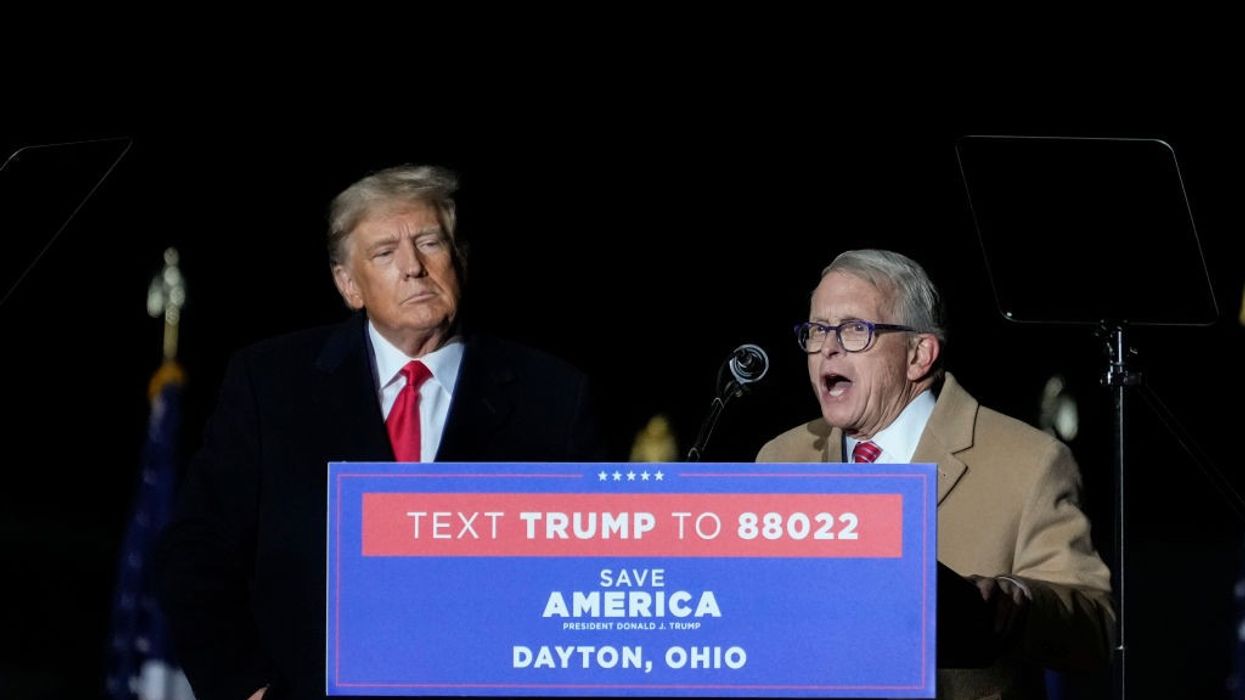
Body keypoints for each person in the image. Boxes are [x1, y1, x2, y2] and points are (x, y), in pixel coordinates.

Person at [156, 165, 604, 700]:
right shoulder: (270, 384)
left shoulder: (552, 398)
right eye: (385, 252)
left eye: (430, 241)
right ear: (349, 285)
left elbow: (591, 579)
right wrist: (248, 689)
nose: (413, 267)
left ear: (460, 255)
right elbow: (196, 553)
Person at [758, 249, 1115, 699]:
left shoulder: (1028, 460)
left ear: (919, 354)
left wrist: (1015, 602)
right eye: (816, 330)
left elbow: (1094, 628)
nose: (827, 347)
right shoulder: (782, 459)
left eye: (854, 330)